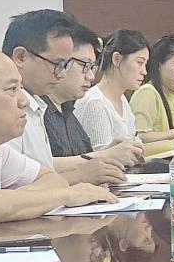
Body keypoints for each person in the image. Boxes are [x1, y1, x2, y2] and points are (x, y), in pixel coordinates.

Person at [0, 45, 113, 234]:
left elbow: (53, 179)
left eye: (21, 88)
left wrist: (7, 201)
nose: (25, 101)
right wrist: (67, 196)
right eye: (12, 89)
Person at [2, 9, 138, 185]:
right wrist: (86, 169)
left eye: (66, 65)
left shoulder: (37, 106)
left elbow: (40, 171)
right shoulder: (2, 108)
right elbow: (11, 188)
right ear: (21, 57)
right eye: (58, 64)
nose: (61, 73)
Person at [42, 23, 144, 166]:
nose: (91, 76)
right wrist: (106, 154)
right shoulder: (36, 110)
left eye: (92, 68)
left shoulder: (68, 110)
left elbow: (84, 158)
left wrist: (110, 152)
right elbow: (38, 167)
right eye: (84, 65)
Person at [76, 29, 151, 152]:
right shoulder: (95, 103)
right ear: (116, 59)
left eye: (145, 64)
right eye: (139, 62)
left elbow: (136, 145)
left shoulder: (121, 98)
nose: (144, 71)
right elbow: (101, 157)